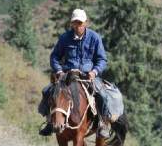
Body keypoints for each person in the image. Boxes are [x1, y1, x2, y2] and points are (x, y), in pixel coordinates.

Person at [38, 8, 110, 137]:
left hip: (88, 76)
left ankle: (103, 124)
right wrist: (59, 70)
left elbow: (102, 59)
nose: (78, 26)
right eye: (75, 23)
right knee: (47, 91)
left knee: (103, 95)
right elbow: (54, 56)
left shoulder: (95, 37)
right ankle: (49, 122)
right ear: (71, 24)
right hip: (67, 75)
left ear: (86, 23)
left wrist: (94, 71)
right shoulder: (65, 38)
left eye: (80, 23)